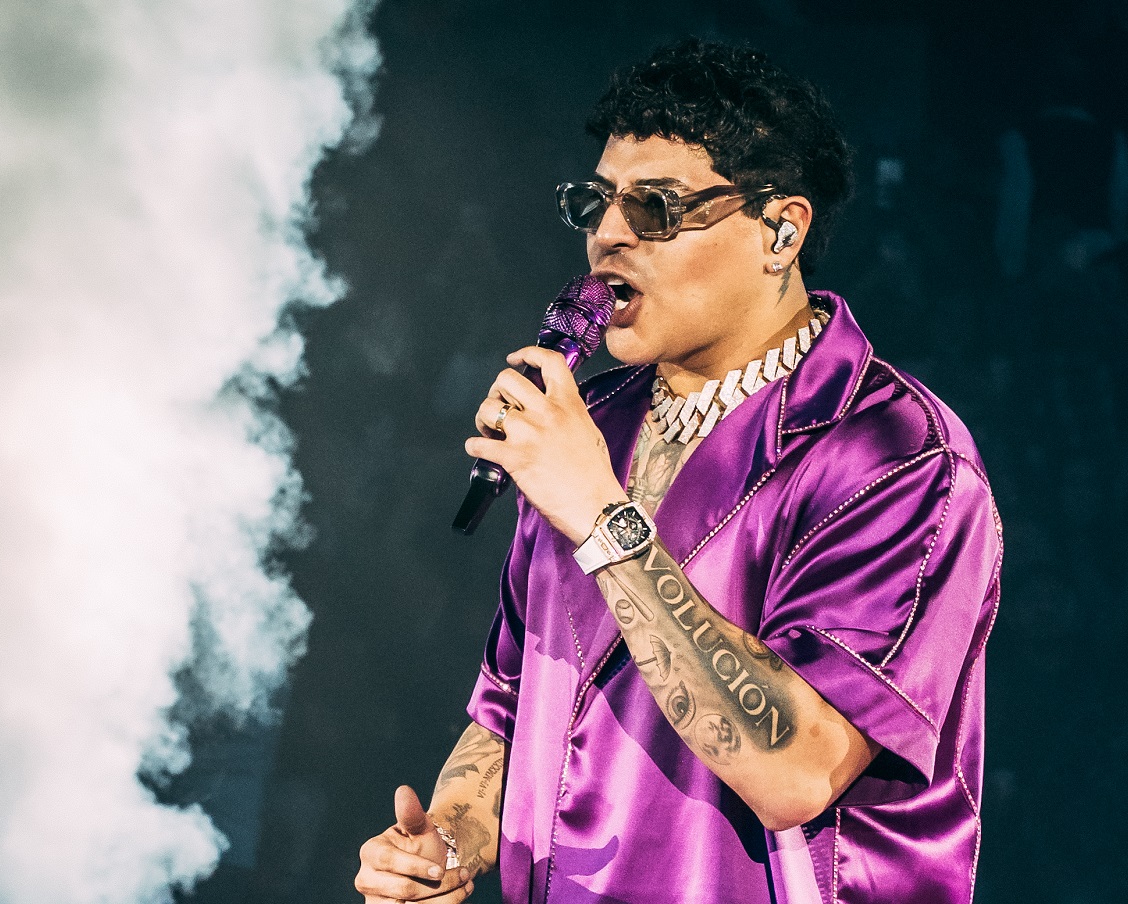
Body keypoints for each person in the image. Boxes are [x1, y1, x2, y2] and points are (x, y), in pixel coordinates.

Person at [356, 38, 1002, 904]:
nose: (608, 234)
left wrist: (601, 516)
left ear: (780, 231)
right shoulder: (590, 424)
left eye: (655, 208)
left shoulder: (896, 455)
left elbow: (796, 770)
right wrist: (450, 840)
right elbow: (512, 705)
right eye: (596, 202)